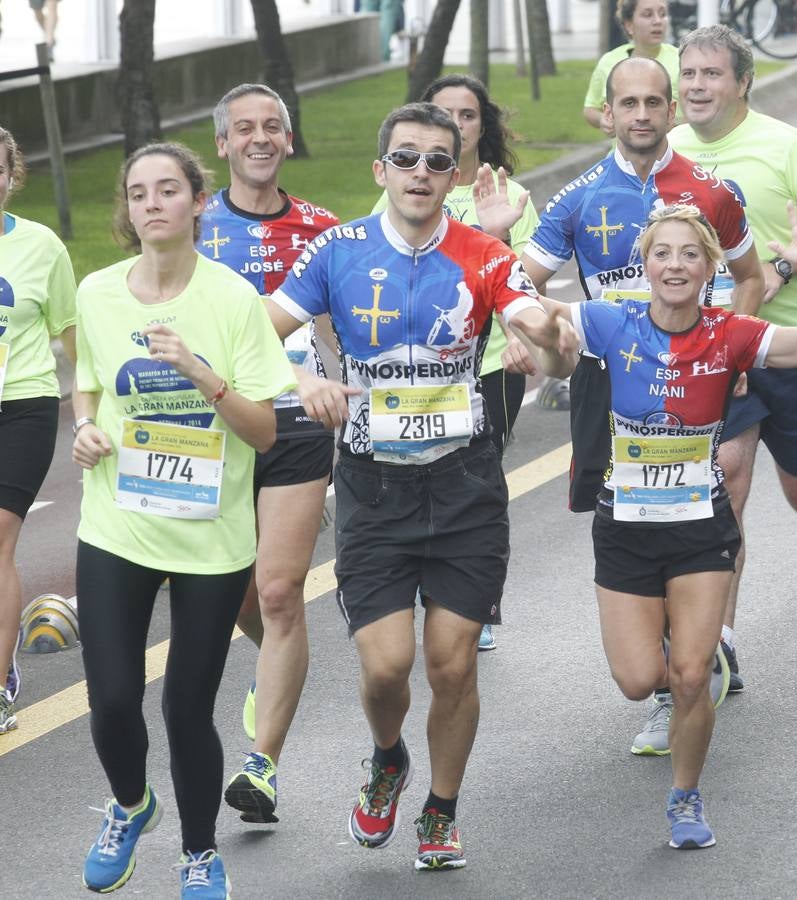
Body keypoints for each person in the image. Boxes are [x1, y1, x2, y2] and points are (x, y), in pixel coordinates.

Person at [265, 102, 576, 872]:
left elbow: (549, 341)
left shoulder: (485, 254)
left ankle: (440, 808)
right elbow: (253, 335)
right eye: (406, 159)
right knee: (384, 666)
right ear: (382, 171)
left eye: (439, 162)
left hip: (464, 483)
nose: (421, 174)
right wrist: (301, 375)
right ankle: (387, 757)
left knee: (452, 663)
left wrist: (550, 342)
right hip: (372, 488)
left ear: (454, 176)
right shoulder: (336, 251)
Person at [557, 199, 797, 850]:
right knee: (637, 679)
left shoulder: (731, 332)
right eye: (662, 253)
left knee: (689, 673)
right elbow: (534, 313)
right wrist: (538, 330)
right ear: (643, 265)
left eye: (690, 254)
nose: (675, 265)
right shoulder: (608, 320)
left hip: (701, 526)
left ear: (711, 268)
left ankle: (686, 796)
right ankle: (670, 666)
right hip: (624, 527)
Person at [520, 55, 762, 755]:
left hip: (702, 373)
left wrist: (736, 352)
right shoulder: (578, 197)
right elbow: (525, 282)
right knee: (632, 512)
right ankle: (671, 676)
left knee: (703, 502)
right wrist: (531, 324)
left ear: (671, 111)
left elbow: (750, 274)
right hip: (613, 380)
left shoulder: (713, 191)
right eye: (629, 104)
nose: (643, 115)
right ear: (608, 113)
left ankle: (692, 659)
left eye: (655, 102)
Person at [72, 142, 295, 900]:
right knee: (108, 699)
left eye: (169, 189)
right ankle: (132, 806)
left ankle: (199, 854)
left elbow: (264, 431)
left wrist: (202, 373)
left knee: (184, 707)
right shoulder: (97, 292)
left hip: (211, 538)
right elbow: (92, 386)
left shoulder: (231, 298)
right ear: (128, 211)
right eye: (139, 194)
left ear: (199, 202)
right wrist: (84, 427)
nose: (153, 203)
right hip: (116, 524)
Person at [671, 26, 797, 693]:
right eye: (689, 74)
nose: (697, 86)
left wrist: (790, 261)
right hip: (706, 345)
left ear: (742, 82)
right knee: (726, 475)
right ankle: (718, 642)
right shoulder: (665, 152)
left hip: (784, 342)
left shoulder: (785, 146)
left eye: (710, 74)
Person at [195, 83, 340, 828]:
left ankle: (264, 765)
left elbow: (343, 331)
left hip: (295, 429)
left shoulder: (324, 230)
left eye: (272, 127)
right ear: (222, 144)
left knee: (281, 591)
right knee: (237, 593)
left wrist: (350, 400)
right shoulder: (188, 226)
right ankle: (272, 663)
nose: (259, 138)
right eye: (244, 129)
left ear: (288, 140)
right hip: (208, 431)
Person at [373, 73, 542, 652]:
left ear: (480, 126)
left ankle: (475, 597)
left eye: (467, 116)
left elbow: (526, 283)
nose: (457, 125)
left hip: (490, 359)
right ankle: (416, 581)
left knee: (476, 470)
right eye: (445, 114)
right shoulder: (403, 185)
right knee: (413, 460)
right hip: (414, 362)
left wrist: (526, 338)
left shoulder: (509, 195)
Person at [0, 125, 76, 734]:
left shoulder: (42, 246)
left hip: (24, 403)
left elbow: (70, 330)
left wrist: (101, 411)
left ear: (11, 176)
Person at [584, 0, 681, 135]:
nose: (658, 21)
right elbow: (590, 108)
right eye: (648, 15)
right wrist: (602, 120)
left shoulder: (682, 60)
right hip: (622, 154)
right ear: (629, 24)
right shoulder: (609, 61)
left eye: (662, 14)